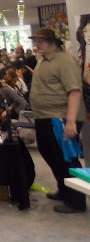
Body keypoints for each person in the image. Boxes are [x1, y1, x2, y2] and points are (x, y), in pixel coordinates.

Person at [29, 28, 86, 213]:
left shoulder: (65, 61)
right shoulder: (43, 60)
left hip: (59, 118)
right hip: (45, 117)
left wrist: (70, 121)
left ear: (51, 42)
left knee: (66, 159)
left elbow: (74, 92)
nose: (36, 44)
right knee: (50, 154)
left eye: (39, 40)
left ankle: (77, 201)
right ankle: (64, 189)